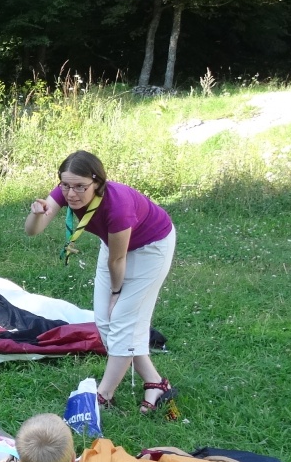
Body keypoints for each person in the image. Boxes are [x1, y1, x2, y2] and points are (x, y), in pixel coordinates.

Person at [25, 150, 178, 413]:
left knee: (121, 320)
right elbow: (33, 230)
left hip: (151, 247)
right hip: (114, 246)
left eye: (80, 187)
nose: (71, 194)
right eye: (66, 185)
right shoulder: (68, 189)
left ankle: (103, 396)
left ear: (97, 183)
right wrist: (37, 213)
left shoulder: (117, 207)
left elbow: (117, 261)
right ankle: (155, 382)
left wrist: (117, 292)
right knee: (105, 321)